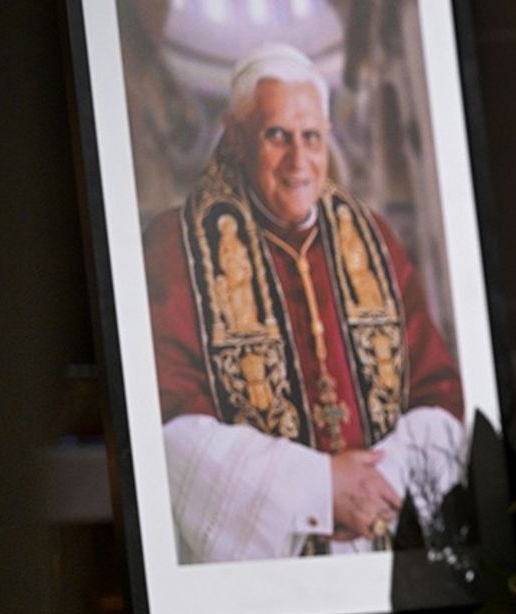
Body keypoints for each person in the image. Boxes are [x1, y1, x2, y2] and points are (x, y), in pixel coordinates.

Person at [143, 43, 467, 564]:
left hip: (383, 555)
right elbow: (166, 423)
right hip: (269, 579)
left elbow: (440, 393)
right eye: (277, 136)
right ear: (238, 135)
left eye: (311, 137)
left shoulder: (372, 238)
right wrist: (318, 489)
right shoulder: (176, 245)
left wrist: (382, 479)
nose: (299, 161)